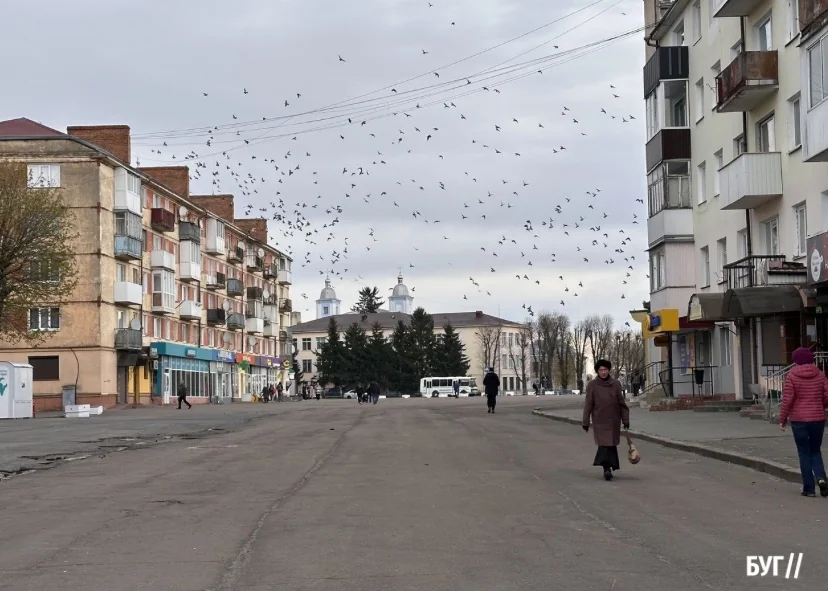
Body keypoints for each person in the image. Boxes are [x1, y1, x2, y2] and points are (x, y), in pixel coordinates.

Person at [779, 347, 828, 497]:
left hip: (799, 420)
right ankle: (821, 478)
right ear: (811, 359)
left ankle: (809, 489)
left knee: (803, 452)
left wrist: (783, 419)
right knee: (815, 450)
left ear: (795, 361)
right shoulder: (820, 374)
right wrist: (821, 406)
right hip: (818, 419)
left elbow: (787, 400)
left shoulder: (791, 376)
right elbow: (826, 395)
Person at [582, 359, 629, 481]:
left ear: (609, 370)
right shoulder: (592, 385)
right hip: (600, 420)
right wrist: (585, 421)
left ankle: (609, 467)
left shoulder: (616, 384)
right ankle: (606, 469)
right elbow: (588, 404)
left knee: (611, 444)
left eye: (605, 370)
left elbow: (622, 404)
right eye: (601, 370)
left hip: (613, 419)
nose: (603, 372)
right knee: (604, 444)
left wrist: (625, 420)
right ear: (598, 371)